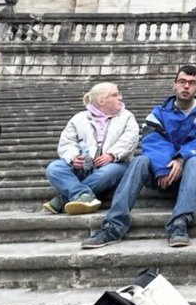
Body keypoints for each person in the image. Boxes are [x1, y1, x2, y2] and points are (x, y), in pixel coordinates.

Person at [82, 64, 196, 249]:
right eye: (182, 81)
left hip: (194, 172)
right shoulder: (159, 113)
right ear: (174, 84)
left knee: (195, 161)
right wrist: (162, 166)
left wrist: (181, 158)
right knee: (140, 160)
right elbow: (152, 140)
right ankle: (113, 226)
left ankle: (180, 223)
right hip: (162, 172)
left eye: (191, 83)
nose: (186, 86)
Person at [42, 82, 139, 215]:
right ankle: (82, 194)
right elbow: (67, 142)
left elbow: (130, 139)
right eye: (115, 95)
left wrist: (112, 155)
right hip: (85, 167)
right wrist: (73, 158)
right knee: (54, 168)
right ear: (101, 100)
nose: (120, 97)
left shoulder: (127, 117)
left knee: (108, 172)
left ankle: (64, 198)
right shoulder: (78, 119)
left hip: (116, 164)